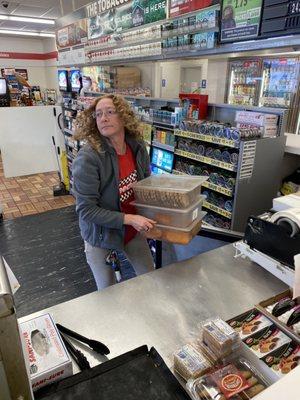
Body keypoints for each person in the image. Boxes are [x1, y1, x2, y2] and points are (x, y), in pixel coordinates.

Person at [73, 94, 156, 290]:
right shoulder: (88, 158)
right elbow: (86, 210)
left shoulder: (136, 146)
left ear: (124, 117)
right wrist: (130, 219)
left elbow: (146, 186)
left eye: (110, 112)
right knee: (107, 293)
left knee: (151, 279)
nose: (103, 118)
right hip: (100, 235)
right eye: (98, 114)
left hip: (132, 230)